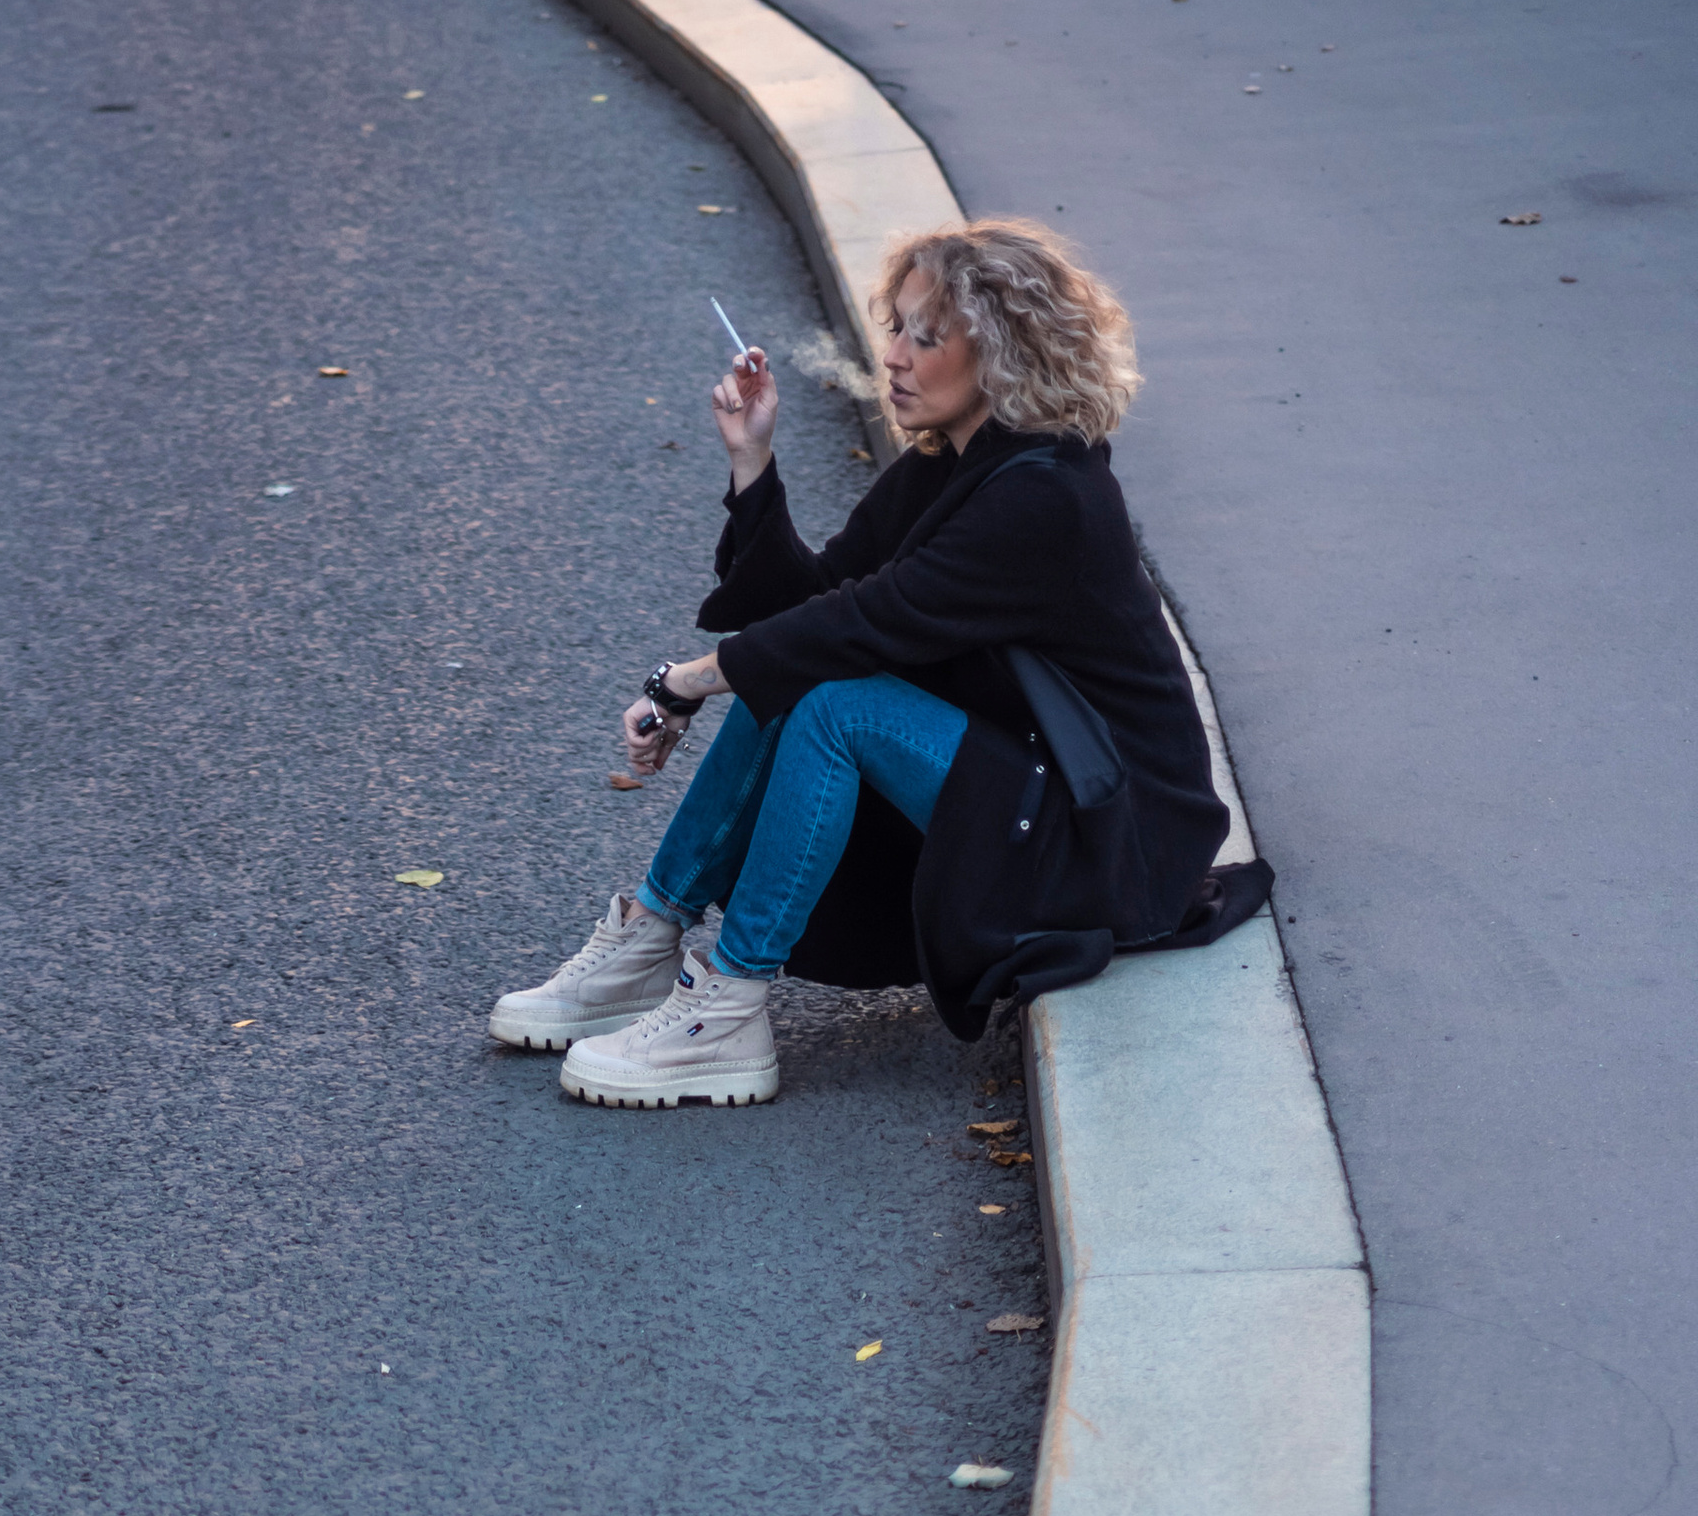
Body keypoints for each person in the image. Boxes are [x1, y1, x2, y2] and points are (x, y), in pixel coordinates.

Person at [488, 220, 1242, 1107]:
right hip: (1027, 778)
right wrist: (753, 465)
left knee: (837, 704)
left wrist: (688, 681)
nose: (896, 356)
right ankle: (652, 937)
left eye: (928, 338)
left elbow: (863, 624)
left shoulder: (1047, 499)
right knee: (804, 673)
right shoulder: (954, 463)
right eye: (896, 328)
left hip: (1108, 830)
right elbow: (813, 609)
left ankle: (728, 1005)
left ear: (1002, 355)